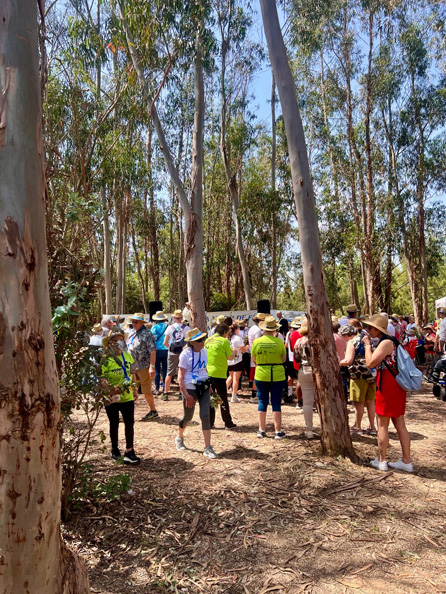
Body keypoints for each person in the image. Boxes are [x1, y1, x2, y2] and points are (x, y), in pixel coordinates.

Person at [362, 314, 413, 472]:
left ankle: (382, 460)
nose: (368, 330)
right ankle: (406, 461)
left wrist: (367, 345)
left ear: (378, 329)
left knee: (382, 424)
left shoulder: (385, 343)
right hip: (396, 386)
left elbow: (370, 363)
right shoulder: (393, 341)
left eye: (370, 327)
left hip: (387, 387)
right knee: (400, 424)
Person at [175, 328, 217, 459]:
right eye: (199, 340)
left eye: (203, 339)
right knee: (188, 417)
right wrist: (186, 394)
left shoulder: (204, 351)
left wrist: (209, 386)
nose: (202, 342)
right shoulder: (185, 354)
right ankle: (179, 437)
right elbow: (180, 377)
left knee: (205, 415)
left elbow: (204, 369)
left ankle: (208, 447)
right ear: (192, 342)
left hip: (203, 386)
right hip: (190, 387)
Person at [101, 329, 140, 464]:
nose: (120, 342)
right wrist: (111, 389)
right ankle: (115, 449)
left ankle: (129, 450)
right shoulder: (105, 359)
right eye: (116, 340)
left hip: (127, 396)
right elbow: (102, 378)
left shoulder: (127, 356)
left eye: (121, 339)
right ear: (110, 343)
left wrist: (135, 389)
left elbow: (132, 373)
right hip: (111, 397)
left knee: (129, 423)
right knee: (114, 423)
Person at [251, 315, 287, 439]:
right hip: (277, 374)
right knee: (276, 402)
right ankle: (278, 431)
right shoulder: (279, 341)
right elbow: (283, 359)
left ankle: (261, 430)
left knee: (262, 401)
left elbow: (254, 359)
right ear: (274, 329)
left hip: (261, 373)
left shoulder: (257, 342)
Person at [339, 325, 377, 435]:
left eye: (344, 337)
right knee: (370, 401)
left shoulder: (352, 342)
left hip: (358, 375)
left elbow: (348, 360)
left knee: (359, 402)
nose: (344, 339)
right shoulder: (367, 339)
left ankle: (357, 426)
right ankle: (372, 427)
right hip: (371, 374)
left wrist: (338, 363)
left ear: (347, 335)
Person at [205, 322, 236, 429]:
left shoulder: (208, 340)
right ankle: (228, 422)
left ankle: (210, 423)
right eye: (227, 333)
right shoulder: (224, 341)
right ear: (224, 332)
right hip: (219, 373)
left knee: (211, 398)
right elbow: (230, 357)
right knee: (223, 398)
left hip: (207, 372)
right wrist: (234, 352)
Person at [126, 313, 157, 421]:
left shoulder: (147, 334)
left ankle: (153, 411)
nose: (133, 324)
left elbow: (152, 350)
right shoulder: (132, 332)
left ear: (141, 323)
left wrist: (152, 367)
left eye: (136, 322)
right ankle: (127, 412)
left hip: (143, 365)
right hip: (132, 366)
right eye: (132, 321)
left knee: (146, 390)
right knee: (129, 388)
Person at [293, 319, 316, 439]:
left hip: (304, 370)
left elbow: (296, 358)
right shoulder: (317, 340)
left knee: (307, 402)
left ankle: (309, 429)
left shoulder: (299, 341)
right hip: (317, 372)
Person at [163, 309, 190, 399]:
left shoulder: (170, 327)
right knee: (181, 372)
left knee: (169, 373)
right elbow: (189, 341)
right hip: (183, 352)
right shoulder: (186, 328)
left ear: (174, 318)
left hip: (172, 353)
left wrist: (170, 348)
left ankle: (165, 393)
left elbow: (165, 342)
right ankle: (181, 393)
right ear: (182, 318)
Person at [248, 313, 267, 403]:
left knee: (256, 374)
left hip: (253, 353)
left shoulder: (252, 328)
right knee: (258, 375)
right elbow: (259, 343)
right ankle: (255, 394)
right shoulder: (258, 330)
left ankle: (254, 394)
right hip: (258, 354)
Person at [227, 323, 247, 402]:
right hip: (237, 360)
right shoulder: (238, 338)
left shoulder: (228, 338)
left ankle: (221, 393)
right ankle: (234, 396)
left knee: (231, 377)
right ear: (236, 330)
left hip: (229, 360)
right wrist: (246, 347)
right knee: (236, 379)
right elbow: (243, 350)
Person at [151, 311, 169, 395]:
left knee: (157, 370)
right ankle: (165, 388)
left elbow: (152, 338)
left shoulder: (155, 327)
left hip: (157, 350)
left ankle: (157, 389)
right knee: (165, 370)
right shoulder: (168, 326)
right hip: (166, 349)